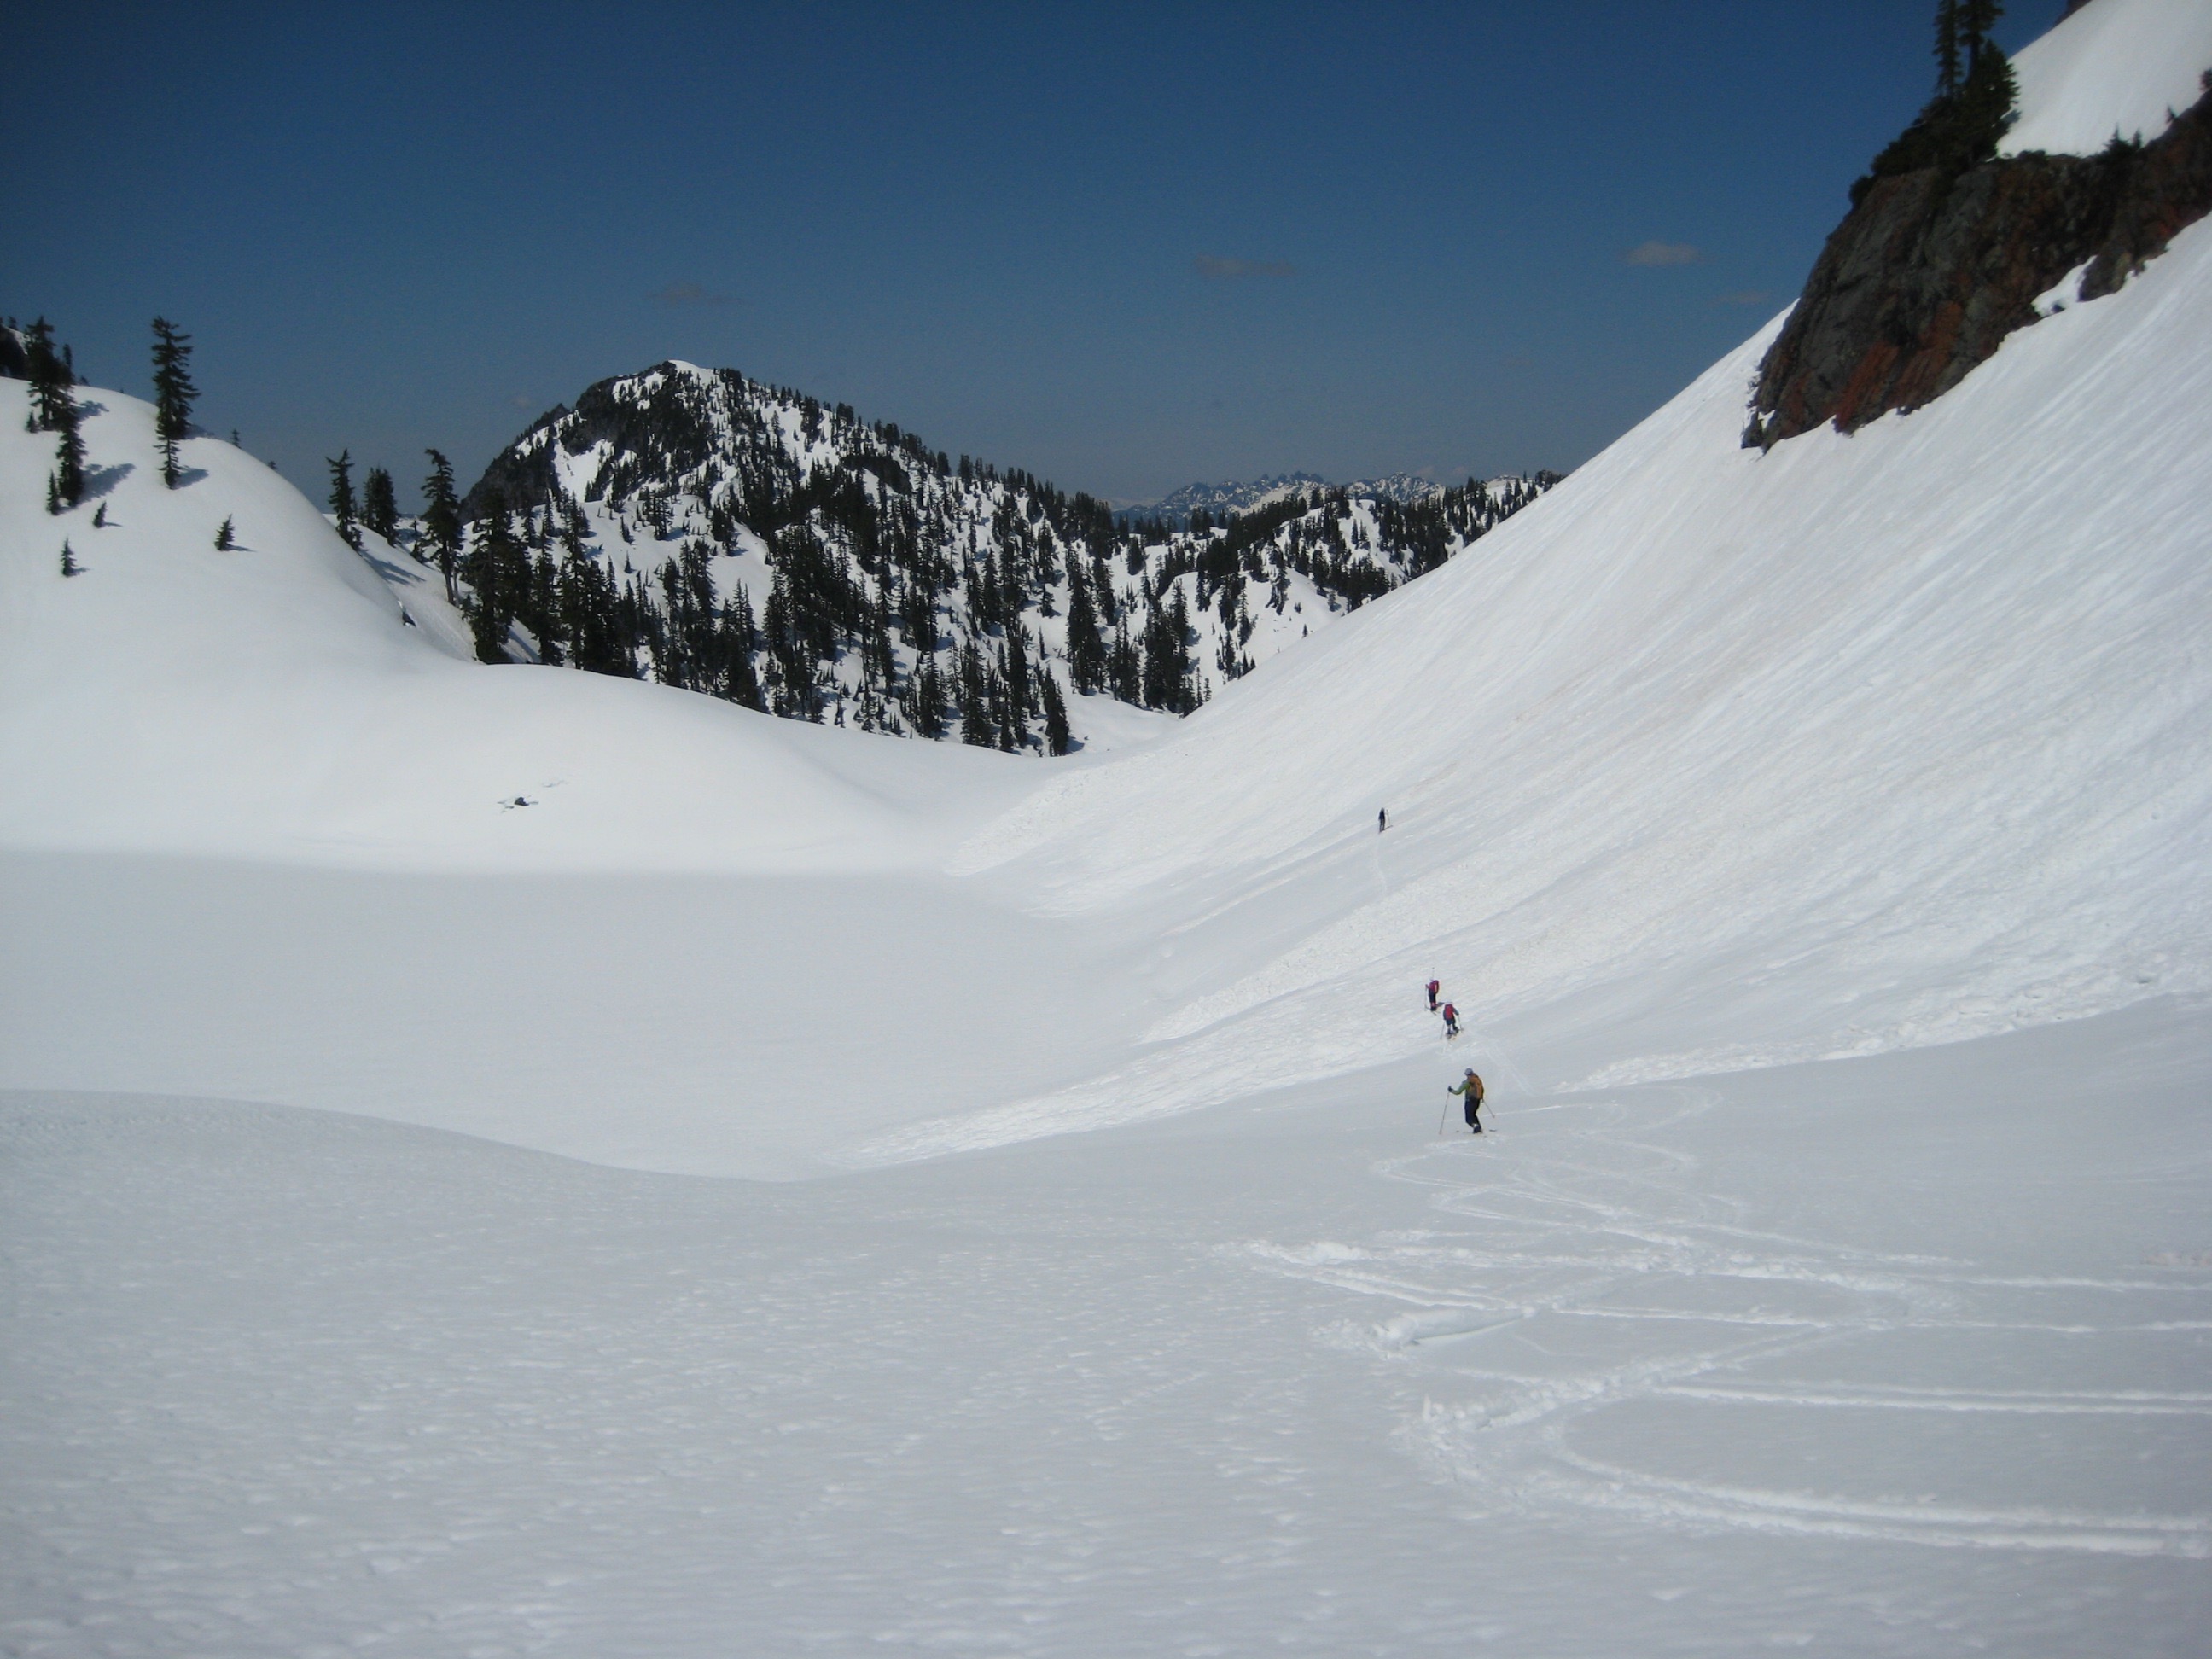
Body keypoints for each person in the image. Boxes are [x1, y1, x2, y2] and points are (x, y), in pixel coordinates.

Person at [1447, 1068, 1485, 1133]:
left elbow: (1458, 1092)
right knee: (1473, 1114)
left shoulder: (1467, 1083)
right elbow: (1482, 1089)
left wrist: (1451, 1090)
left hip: (1470, 1101)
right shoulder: (1477, 1080)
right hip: (1477, 1101)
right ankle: (1478, 1127)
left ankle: (1476, 1127)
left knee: (1468, 1118)